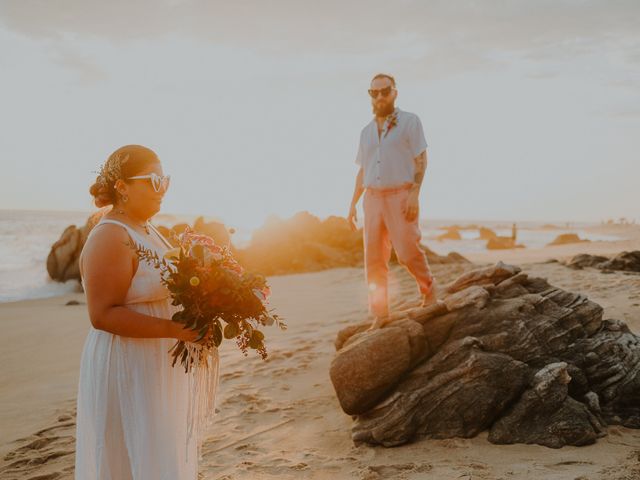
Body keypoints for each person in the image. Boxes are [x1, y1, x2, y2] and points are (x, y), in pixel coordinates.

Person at [75, 145, 218, 479]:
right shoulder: (110, 235)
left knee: (159, 457)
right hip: (126, 364)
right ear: (122, 187)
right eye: (154, 181)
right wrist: (176, 330)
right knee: (130, 460)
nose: (162, 190)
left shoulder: (147, 228)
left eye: (165, 181)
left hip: (156, 362)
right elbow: (102, 314)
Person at [348, 73, 436, 328]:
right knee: (374, 259)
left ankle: (429, 290)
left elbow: (422, 160)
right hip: (372, 199)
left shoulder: (410, 122)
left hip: (401, 194)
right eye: (374, 93)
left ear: (394, 92)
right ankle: (380, 313)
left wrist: (414, 193)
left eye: (384, 91)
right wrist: (352, 204)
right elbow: (362, 170)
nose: (379, 96)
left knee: (408, 251)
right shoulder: (365, 132)